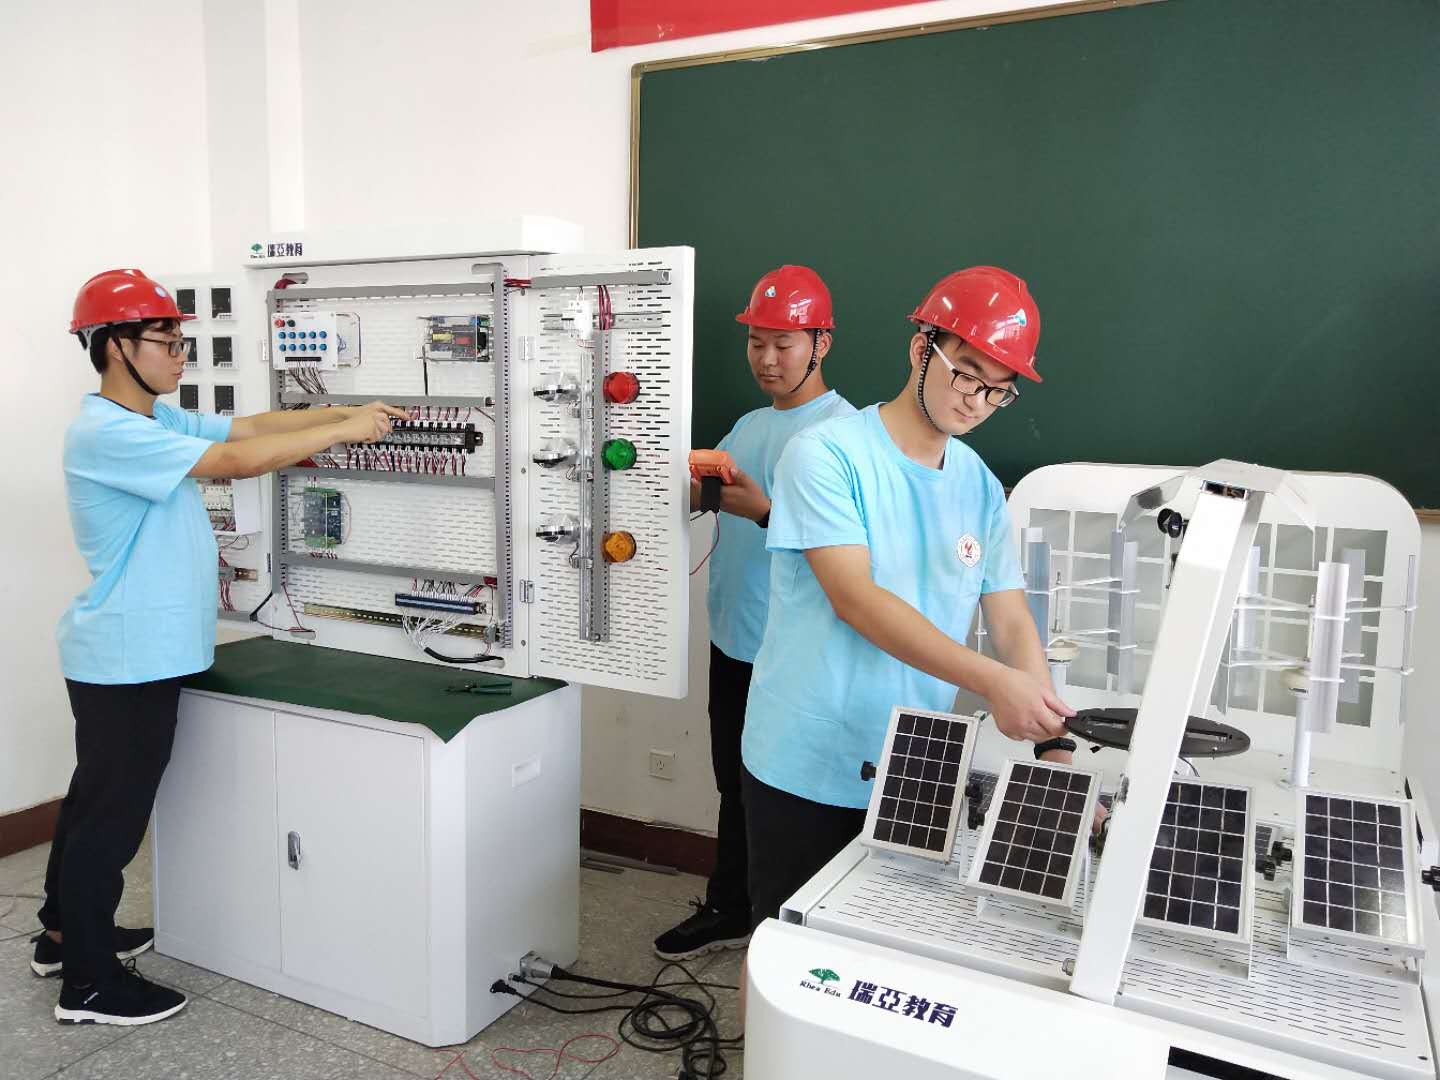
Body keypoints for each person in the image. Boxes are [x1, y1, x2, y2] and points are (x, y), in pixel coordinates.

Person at [34, 268, 404, 1026]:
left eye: (183, 342)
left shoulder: (151, 420)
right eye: (166, 342)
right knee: (111, 817)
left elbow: (246, 430)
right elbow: (235, 463)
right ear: (114, 347)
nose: (181, 356)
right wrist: (341, 433)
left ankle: (63, 936)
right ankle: (90, 983)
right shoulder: (108, 432)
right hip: (129, 654)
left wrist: (344, 409)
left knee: (92, 800)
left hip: (136, 650)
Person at [736, 266, 1077, 930]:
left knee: (881, 953)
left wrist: (1053, 746)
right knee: (788, 953)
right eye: (967, 374)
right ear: (922, 349)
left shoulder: (979, 485)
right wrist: (994, 684)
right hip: (807, 760)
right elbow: (856, 599)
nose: (977, 401)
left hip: (914, 764)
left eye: (998, 390)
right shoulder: (825, 455)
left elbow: (1010, 618)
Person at [653, 266, 856, 960]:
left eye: (784, 344)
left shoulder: (845, 434)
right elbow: (711, 502)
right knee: (732, 782)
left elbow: (846, 554)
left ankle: (793, 932)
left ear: (822, 343)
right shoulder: (747, 425)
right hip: (734, 638)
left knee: (787, 792)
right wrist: (684, 482)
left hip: (794, 650)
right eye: (756, 343)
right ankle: (730, 905)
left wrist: (764, 509)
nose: (767, 360)